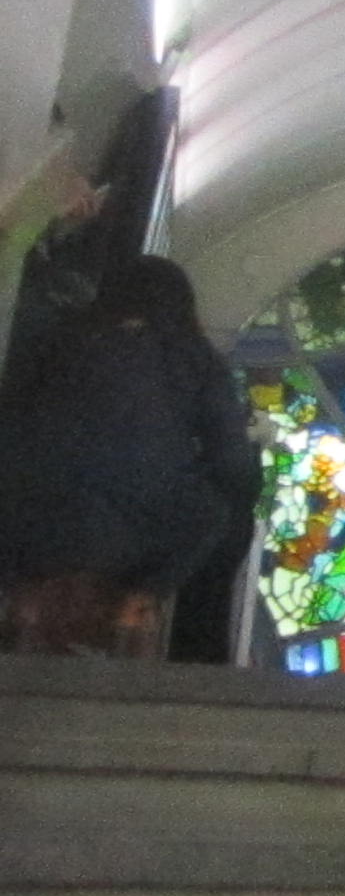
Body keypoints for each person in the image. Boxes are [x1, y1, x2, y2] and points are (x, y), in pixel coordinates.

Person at [0, 255, 260, 657]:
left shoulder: (57, 335)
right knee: (219, 517)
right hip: (128, 527)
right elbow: (233, 464)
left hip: (25, 512)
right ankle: (140, 604)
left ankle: (19, 592)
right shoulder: (193, 355)